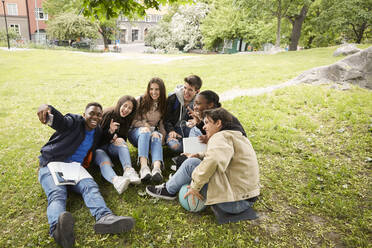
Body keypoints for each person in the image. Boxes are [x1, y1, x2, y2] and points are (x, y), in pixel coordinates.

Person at [37, 103, 135, 248]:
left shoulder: (97, 131)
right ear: (84, 115)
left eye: (98, 115)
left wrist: (111, 134)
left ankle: (105, 218)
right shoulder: (75, 121)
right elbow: (61, 122)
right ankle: (58, 229)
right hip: (53, 163)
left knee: (91, 188)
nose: (95, 117)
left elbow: (102, 140)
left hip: (76, 168)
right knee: (57, 195)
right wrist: (48, 108)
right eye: (92, 113)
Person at [146, 108, 260, 221]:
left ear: (218, 123)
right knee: (196, 161)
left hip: (233, 204)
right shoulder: (237, 136)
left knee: (191, 164)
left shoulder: (219, 136)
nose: (204, 127)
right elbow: (222, 155)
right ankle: (174, 183)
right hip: (247, 199)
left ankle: (168, 190)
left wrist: (195, 187)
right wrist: (199, 154)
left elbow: (214, 160)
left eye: (207, 123)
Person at [94, 96, 140, 195]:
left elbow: (123, 136)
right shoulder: (108, 114)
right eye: (125, 106)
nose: (126, 110)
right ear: (120, 104)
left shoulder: (127, 118)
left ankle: (128, 170)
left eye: (130, 108)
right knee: (102, 158)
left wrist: (117, 138)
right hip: (98, 148)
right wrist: (110, 131)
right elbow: (96, 139)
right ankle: (116, 181)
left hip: (111, 147)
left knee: (121, 141)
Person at [128, 77, 167, 183]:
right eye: (151, 89)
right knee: (145, 132)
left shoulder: (163, 104)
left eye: (157, 89)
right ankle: (144, 168)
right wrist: (144, 125)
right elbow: (131, 121)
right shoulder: (140, 100)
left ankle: (156, 169)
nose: (153, 92)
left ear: (161, 90)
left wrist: (161, 137)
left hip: (152, 131)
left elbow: (162, 124)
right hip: (136, 132)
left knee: (156, 136)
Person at [164, 75, 202, 153]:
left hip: (189, 128)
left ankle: (190, 148)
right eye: (185, 88)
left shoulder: (200, 102)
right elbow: (166, 119)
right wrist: (171, 131)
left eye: (190, 90)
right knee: (175, 147)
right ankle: (189, 148)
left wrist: (197, 121)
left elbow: (205, 120)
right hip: (174, 129)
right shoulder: (173, 98)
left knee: (201, 137)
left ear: (197, 91)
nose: (186, 92)